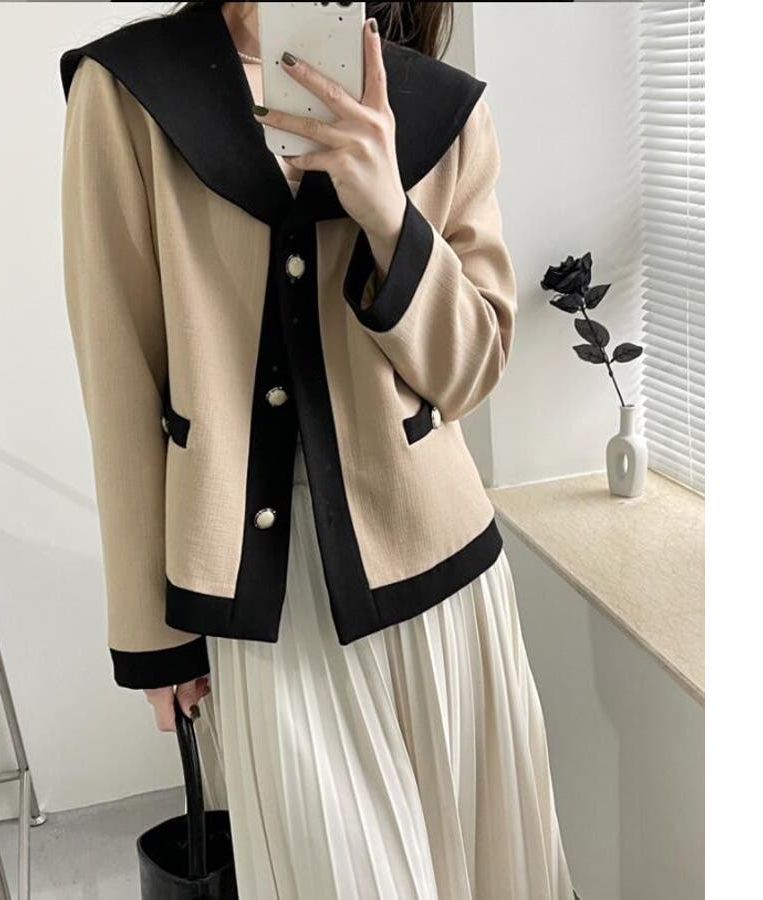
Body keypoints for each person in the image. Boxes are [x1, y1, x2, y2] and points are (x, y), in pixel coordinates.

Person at [59, 2, 575, 897]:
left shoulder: (439, 106)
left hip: (442, 586)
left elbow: (471, 368)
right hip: (259, 600)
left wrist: (390, 216)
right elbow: (120, 378)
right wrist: (153, 637)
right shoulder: (130, 91)